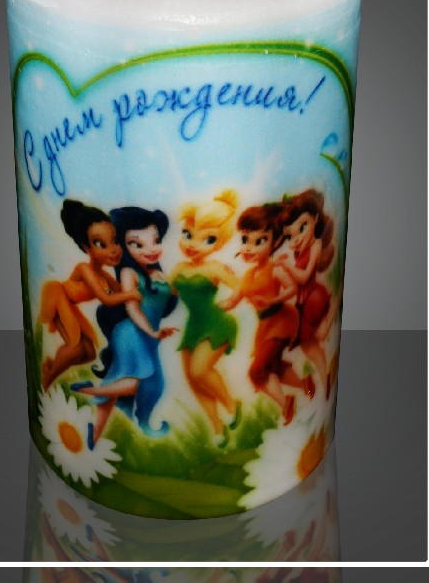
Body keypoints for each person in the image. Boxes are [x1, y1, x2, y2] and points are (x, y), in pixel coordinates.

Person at [74, 207, 178, 443]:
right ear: (123, 246)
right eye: (137, 244)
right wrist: (152, 331)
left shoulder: (156, 273)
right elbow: (132, 309)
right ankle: (89, 391)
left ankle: (95, 434)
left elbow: (170, 299)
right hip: (133, 333)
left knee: (133, 381)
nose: (151, 249)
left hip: (147, 336)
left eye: (156, 240)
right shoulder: (129, 273)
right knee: (144, 381)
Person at [220, 204, 315, 426]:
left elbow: (292, 289)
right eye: (245, 240)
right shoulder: (247, 276)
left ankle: (286, 404)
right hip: (265, 326)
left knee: (257, 371)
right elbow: (233, 300)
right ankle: (305, 384)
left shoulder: (275, 268)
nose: (250, 248)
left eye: (259, 241)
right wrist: (218, 305)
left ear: (275, 242)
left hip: (281, 321)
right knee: (273, 367)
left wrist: (272, 300)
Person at [38, 199, 140, 391]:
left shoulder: (102, 275)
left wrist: (140, 283)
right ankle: (46, 381)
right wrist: (132, 295)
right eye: (101, 244)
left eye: (115, 241)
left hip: (70, 306)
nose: (113, 250)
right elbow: (107, 299)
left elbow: (120, 290)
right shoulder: (84, 269)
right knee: (75, 346)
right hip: (58, 297)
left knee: (88, 353)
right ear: (87, 248)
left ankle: (51, 366)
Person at [171, 189, 240, 445]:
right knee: (193, 380)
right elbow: (168, 292)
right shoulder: (179, 269)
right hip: (194, 325)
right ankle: (217, 428)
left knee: (200, 371)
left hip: (216, 322)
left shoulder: (215, 268)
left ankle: (231, 405)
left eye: (208, 239)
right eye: (187, 234)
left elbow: (240, 286)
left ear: (219, 243)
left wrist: (232, 301)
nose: (193, 244)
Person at [275, 190, 335, 397]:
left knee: (312, 341)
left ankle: (332, 313)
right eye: (290, 235)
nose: (297, 237)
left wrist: (286, 267)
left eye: (303, 227)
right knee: (310, 344)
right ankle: (324, 378)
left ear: (316, 219)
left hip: (313, 298)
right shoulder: (298, 248)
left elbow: (304, 277)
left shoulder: (316, 244)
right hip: (303, 299)